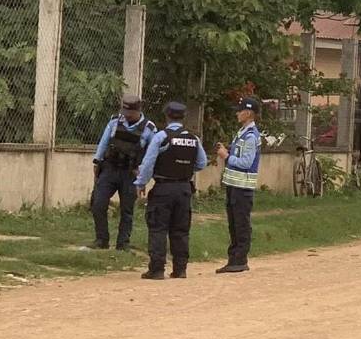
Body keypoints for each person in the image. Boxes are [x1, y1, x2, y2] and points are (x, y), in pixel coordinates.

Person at [135, 101, 207, 280]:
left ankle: (157, 269)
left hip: (164, 188)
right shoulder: (193, 139)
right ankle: (180, 269)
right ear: (183, 117)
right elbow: (201, 163)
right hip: (184, 189)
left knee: (158, 228)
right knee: (181, 230)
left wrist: (141, 183)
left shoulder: (161, 137)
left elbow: (148, 163)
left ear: (166, 116)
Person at [89, 93, 157, 250]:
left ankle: (123, 243)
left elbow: (151, 155)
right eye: (124, 112)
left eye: (129, 113)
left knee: (127, 210)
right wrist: (97, 162)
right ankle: (101, 239)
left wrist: (143, 178)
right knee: (98, 204)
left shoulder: (149, 129)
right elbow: (104, 142)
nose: (126, 116)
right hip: (110, 169)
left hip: (131, 173)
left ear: (138, 111)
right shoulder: (114, 121)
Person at [216, 96, 262, 273]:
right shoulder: (242, 133)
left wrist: (226, 156)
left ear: (248, 113)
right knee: (233, 223)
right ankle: (233, 258)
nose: (237, 113)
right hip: (234, 185)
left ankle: (240, 259)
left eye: (240, 110)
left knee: (241, 223)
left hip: (243, 187)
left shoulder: (250, 136)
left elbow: (246, 162)